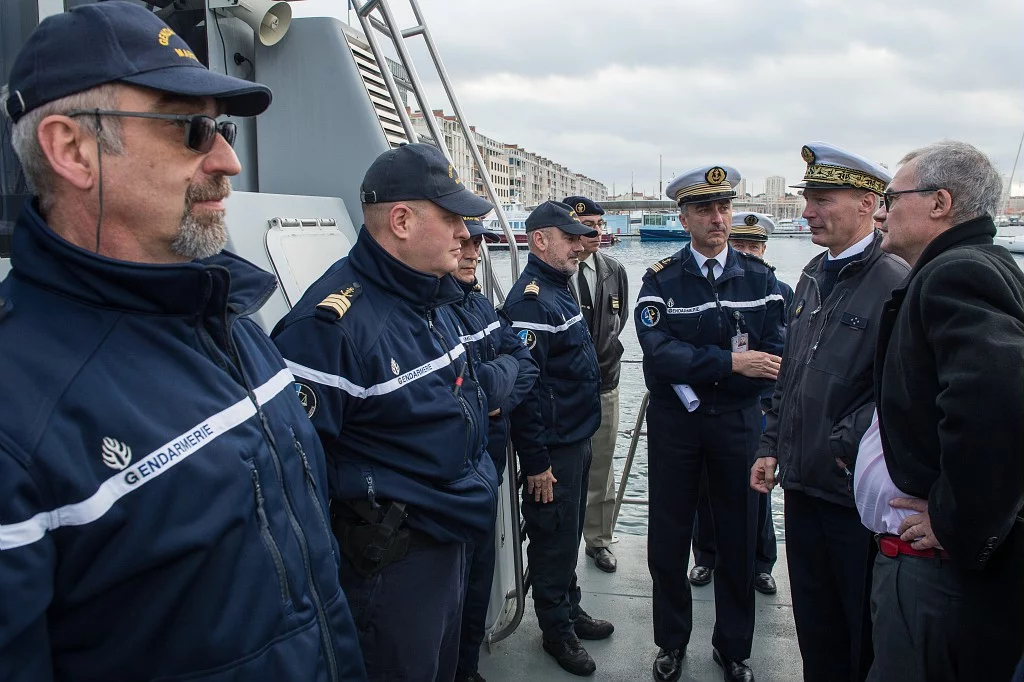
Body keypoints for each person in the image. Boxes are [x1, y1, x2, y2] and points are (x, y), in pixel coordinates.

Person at [0, 4, 366, 681]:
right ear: (71, 149)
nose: (226, 160)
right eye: (191, 129)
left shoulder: (231, 320)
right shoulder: (20, 417)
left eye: (221, 129)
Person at [272, 143, 499, 680]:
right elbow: (297, 481)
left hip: (449, 538)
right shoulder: (330, 329)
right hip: (392, 566)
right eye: (451, 220)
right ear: (401, 220)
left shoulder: (433, 301)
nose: (466, 236)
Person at [863, 140, 1024, 681]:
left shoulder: (955, 273)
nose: (882, 210)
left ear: (940, 202)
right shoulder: (979, 265)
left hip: (935, 575)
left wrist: (956, 521)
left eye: (891, 196)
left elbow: (999, 397)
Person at [750, 142, 908, 682]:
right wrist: (771, 446)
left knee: (859, 633)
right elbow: (792, 370)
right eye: (807, 199)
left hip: (853, 497)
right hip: (803, 485)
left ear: (868, 204)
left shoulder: (895, 283)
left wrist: (844, 447)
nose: (807, 212)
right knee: (814, 627)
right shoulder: (815, 272)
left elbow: (898, 395)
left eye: (822, 199)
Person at [638, 165, 786, 682]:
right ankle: (671, 641)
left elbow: (778, 351)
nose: (718, 218)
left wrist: (732, 372)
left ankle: (734, 647)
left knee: (740, 535)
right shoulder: (660, 279)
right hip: (677, 423)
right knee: (669, 536)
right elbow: (658, 354)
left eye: (723, 207)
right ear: (684, 217)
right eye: (705, 209)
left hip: (739, 423)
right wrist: (730, 362)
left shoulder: (762, 279)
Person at [502, 201, 614, 676]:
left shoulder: (558, 288)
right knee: (551, 539)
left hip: (576, 436)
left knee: (567, 534)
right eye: (568, 238)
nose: (579, 246)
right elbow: (526, 394)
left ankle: (570, 607)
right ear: (539, 240)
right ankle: (556, 632)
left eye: (580, 236)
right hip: (553, 448)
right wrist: (538, 461)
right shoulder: (531, 300)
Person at [451, 218, 538, 682]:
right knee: (448, 594)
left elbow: (524, 362)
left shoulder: (481, 304)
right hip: (451, 482)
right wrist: (488, 391)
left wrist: (490, 395)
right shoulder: (435, 311)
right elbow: (458, 394)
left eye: (478, 241)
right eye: (463, 240)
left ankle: (467, 669)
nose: (471, 251)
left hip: (486, 470)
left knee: (478, 585)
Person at [690, 212, 792, 596]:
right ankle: (706, 557)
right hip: (715, 401)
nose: (748, 250)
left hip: (759, 407)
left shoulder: (776, 288)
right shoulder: (712, 287)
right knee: (705, 489)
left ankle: (761, 563)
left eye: (755, 245)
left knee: (757, 491)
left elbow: (782, 351)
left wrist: (771, 403)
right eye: (743, 244)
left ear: (764, 249)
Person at [562, 195, 629, 574]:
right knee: (567, 468)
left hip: (606, 382)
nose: (597, 233)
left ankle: (599, 540)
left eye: (600, 226)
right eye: (589, 226)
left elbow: (615, 326)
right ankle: (565, 540)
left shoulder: (614, 270)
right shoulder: (555, 272)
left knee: (602, 467)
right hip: (567, 389)